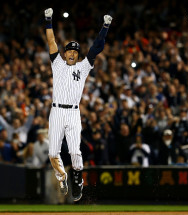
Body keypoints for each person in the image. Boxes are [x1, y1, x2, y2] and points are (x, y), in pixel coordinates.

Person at [44, 8, 112, 201]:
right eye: (69, 50)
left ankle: (77, 179)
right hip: (56, 111)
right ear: (65, 54)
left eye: (75, 51)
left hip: (73, 113)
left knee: (75, 151)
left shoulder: (83, 67)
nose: (72, 53)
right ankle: (62, 177)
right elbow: (51, 41)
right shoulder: (57, 63)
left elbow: (96, 47)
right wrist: (48, 20)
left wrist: (105, 27)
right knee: (52, 153)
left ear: (77, 54)